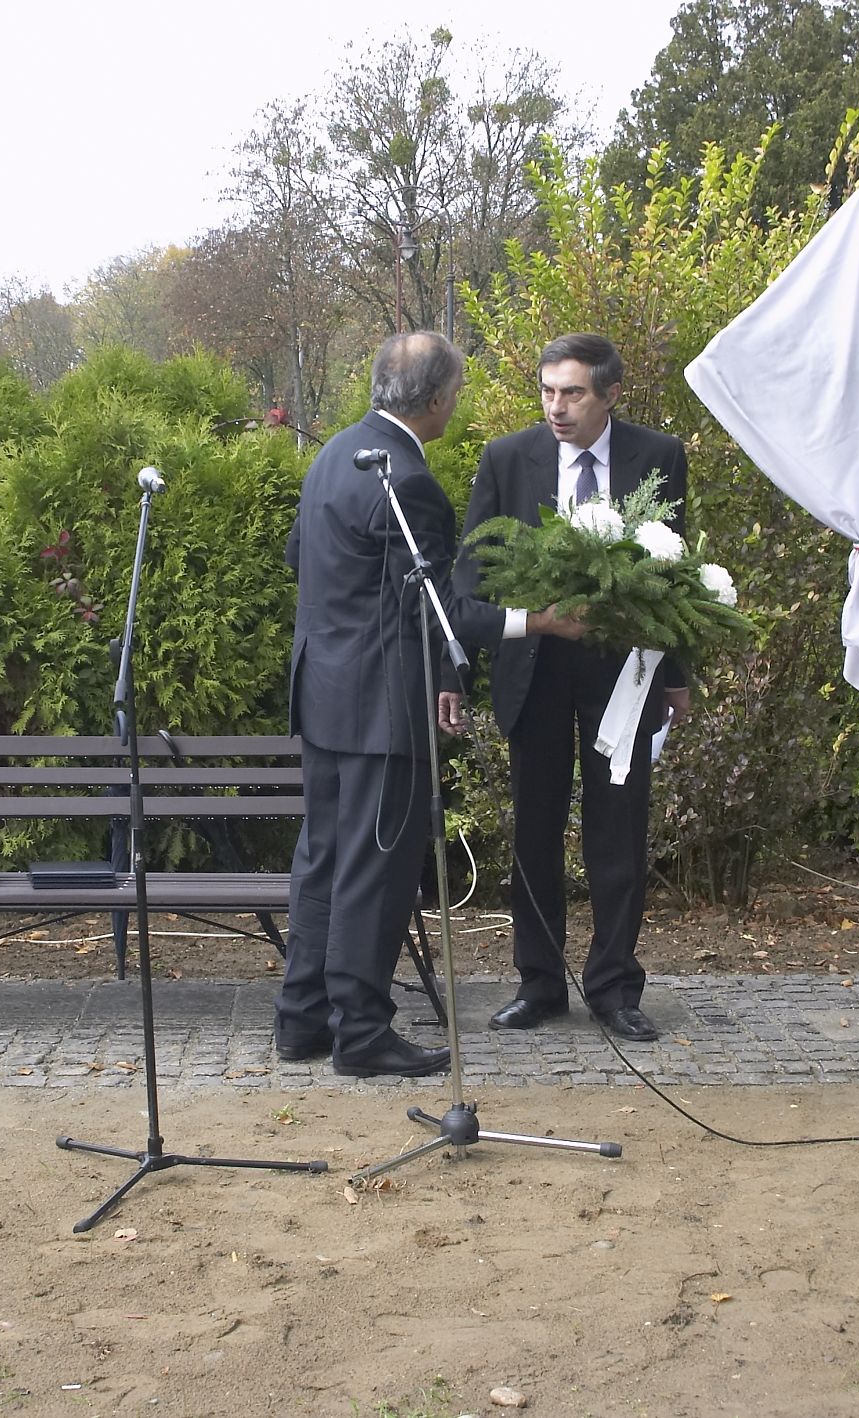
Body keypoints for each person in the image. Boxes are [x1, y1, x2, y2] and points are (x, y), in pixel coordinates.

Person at [277, 331, 583, 1077]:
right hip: (381, 707)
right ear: (438, 400)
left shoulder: (333, 454)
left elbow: (298, 558)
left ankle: (301, 1020)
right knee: (374, 873)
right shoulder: (405, 478)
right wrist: (539, 621)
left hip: (324, 694)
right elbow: (445, 610)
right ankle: (361, 1033)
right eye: (457, 394)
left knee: (322, 861)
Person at [446, 333, 689, 1043]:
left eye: (573, 393)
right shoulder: (507, 458)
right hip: (535, 669)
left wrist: (675, 675)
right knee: (535, 829)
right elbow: (471, 575)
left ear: (610, 394)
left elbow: (675, 568)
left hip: (624, 669)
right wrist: (455, 670)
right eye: (548, 391)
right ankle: (540, 984)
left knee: (619, 831)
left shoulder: (659, 456)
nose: (557, 407)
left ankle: (614, 987)